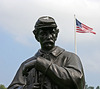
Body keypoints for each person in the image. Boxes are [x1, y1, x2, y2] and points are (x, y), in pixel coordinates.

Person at [8, 16, 85, 89]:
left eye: (52, 33)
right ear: (36, 36)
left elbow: (77, 80)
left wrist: (41, 64)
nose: (48, 37)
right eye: (43, 34)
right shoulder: (26, 64)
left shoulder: (70, 58)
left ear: (57, 34)